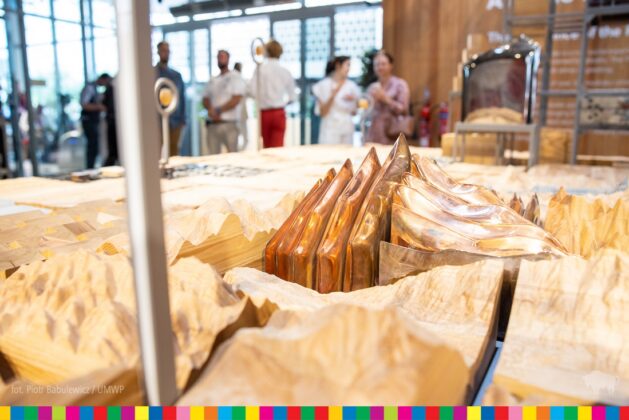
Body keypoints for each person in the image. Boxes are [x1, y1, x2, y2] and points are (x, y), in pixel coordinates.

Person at [249, 40, 296, 148]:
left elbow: (252, 91)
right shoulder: (285, 71)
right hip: (279, 113)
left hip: (264, 113)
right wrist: (281, 102)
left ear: (266, 51)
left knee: (266, 146)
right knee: (278, 147)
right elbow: (292, 97)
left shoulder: (260, 69)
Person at [202, 50, 246, 154]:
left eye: (223, 57)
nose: (220, 59)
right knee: (213, 157)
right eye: (219, 57)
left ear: (228, 59)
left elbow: (236, 99)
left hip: (229, 124)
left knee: (232, 155)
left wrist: (218, 110)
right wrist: (211, 110)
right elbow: (205, 98)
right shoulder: (212, 80)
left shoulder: (235, 76)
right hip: (213, 124)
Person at [312, 56, 361, 145]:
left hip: (347, 128)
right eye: (347, 65)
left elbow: (354, 112)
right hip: (330, 129)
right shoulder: (323, 85)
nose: (349, 68)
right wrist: (333, 95)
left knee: (346, 153)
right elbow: (323, 112)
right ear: (338, 65)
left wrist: (354, 101)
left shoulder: (352, 86)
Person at [366, 50, 410, 144]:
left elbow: (404, 110)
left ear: (391, 65)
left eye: (383, 64)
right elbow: (366, 112)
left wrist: (385, 99)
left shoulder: (400, 84)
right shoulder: (372, 87)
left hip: (392, 134)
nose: (380, 67)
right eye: (377, 64)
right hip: (373, 134)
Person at [155, 41, 186, 157]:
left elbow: (181, 97)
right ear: (158, 52)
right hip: (158, 120)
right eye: (163, 50)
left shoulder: (176, 75)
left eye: (168, 51)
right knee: (157, 151)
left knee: (174, 152)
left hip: (176, 120)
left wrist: (183, 119)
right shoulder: (152, 73)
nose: (166, 53)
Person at [80, 73, 110, 169]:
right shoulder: (90, 88)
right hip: (88, 120)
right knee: (92, 145)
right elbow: (84, 104)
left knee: (94, 145)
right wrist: (99, 107)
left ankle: (91, 167)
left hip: (93, 121)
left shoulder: (95, 89)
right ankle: (90, 168)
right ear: (102, 79)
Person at [102, 76, 118, 166]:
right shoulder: (112, 89)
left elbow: (104, 105)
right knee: (113, 149)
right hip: (113, 121)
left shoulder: (110, 89)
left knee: (113, 148)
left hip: (112, 121)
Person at [233, 62, 249, 151]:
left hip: (241, 113)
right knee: (238, 138)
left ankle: (240, 152)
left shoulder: (242, 80)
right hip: (234, 114)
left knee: (244, 138)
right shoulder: (238, 80)